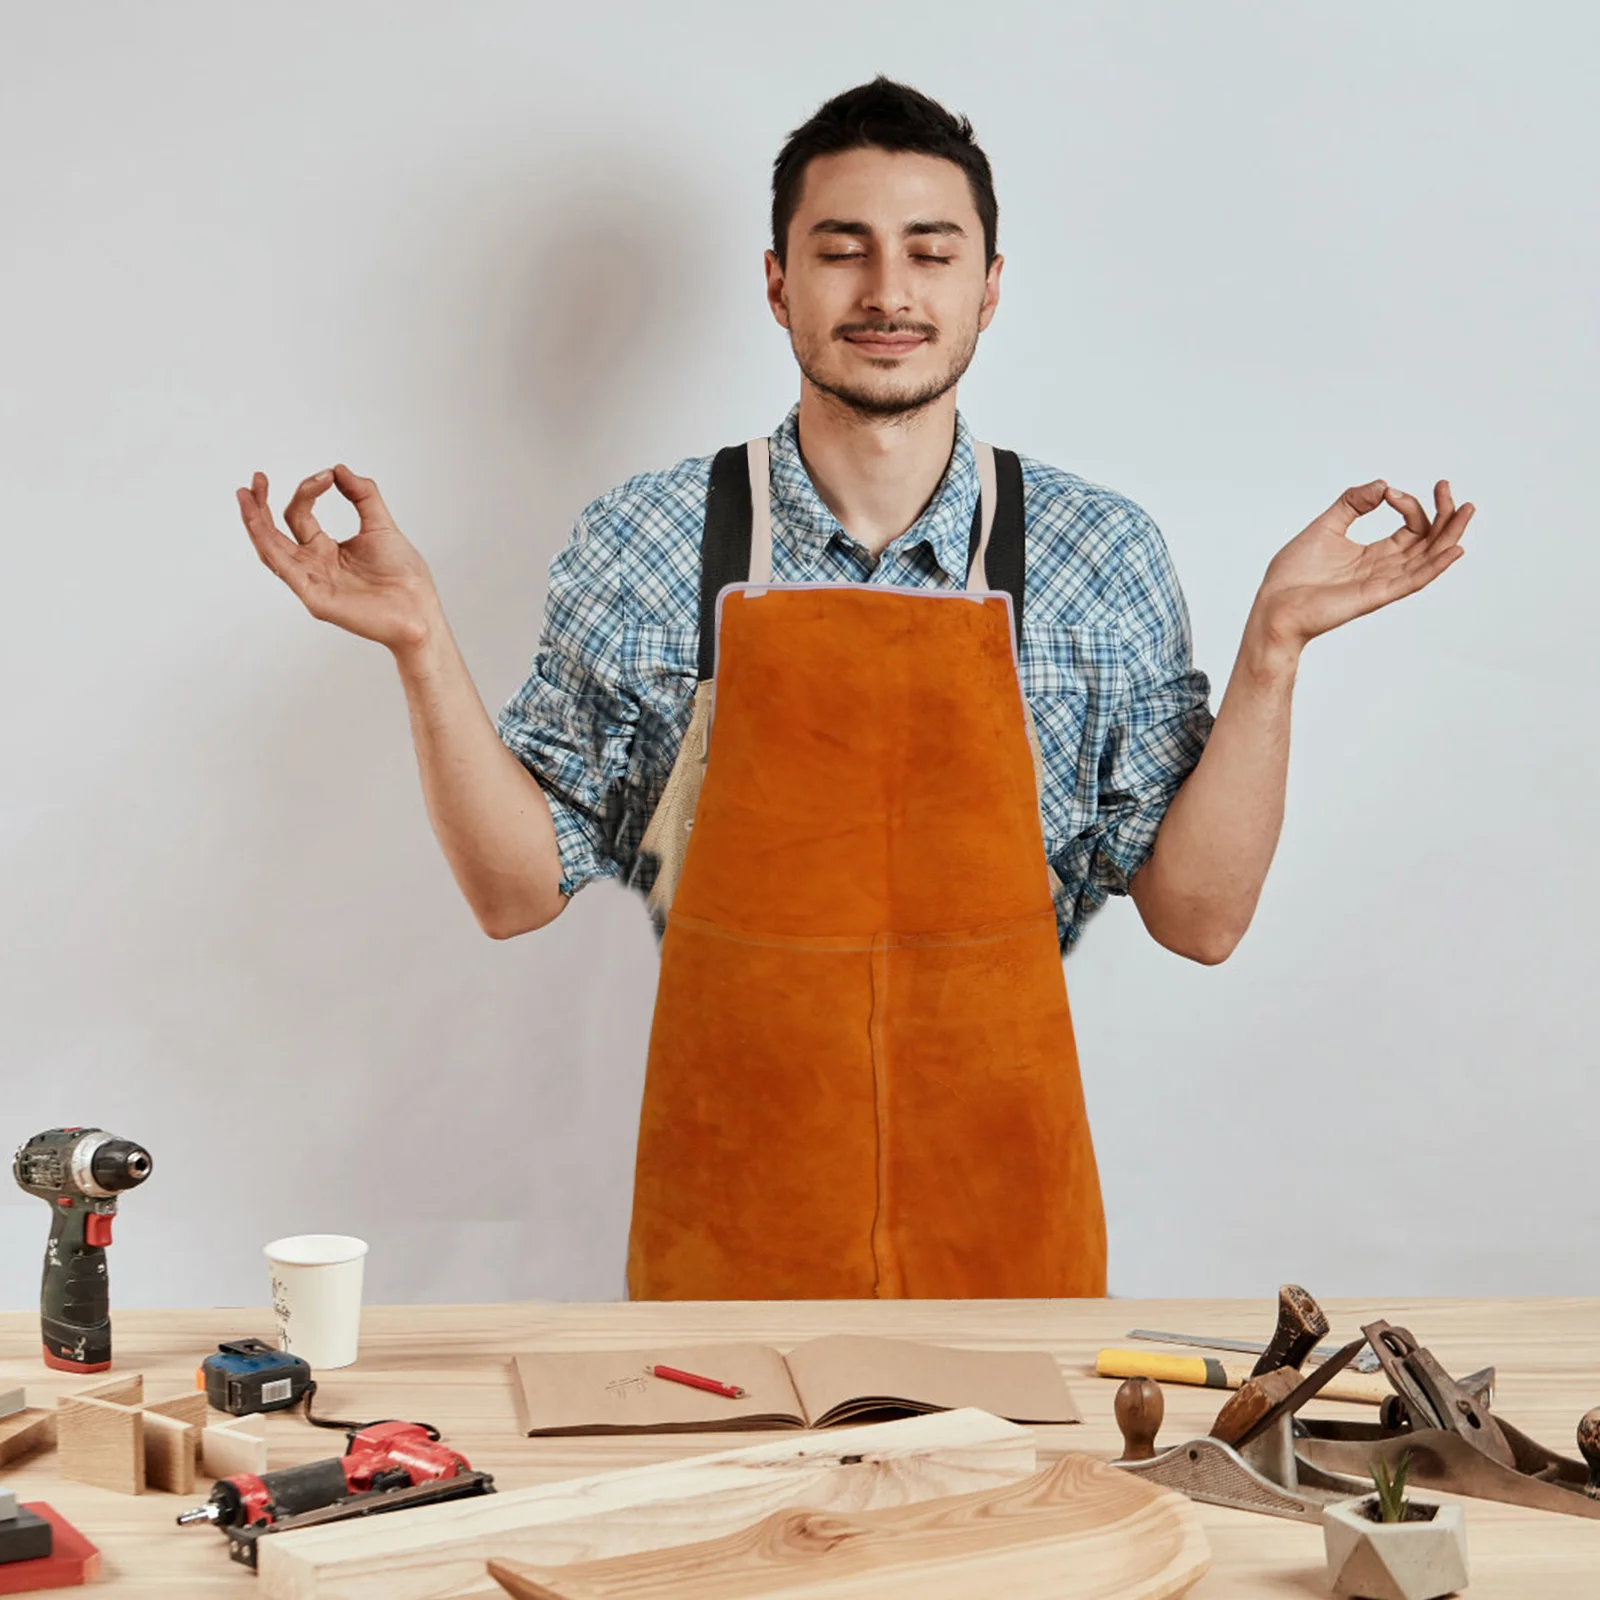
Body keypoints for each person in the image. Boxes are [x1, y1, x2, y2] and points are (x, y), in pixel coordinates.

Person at [238, 78, 1471, 1302]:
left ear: (989, 286)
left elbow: (1198, 919)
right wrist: (418, 644)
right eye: (843, 252)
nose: (888, 292)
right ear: (777, 281)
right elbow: (515, 891)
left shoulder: (1100, 553)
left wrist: (1274, 647)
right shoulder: (650, 540)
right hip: (728, 1230)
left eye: (931, 253)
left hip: (1006, 1237)